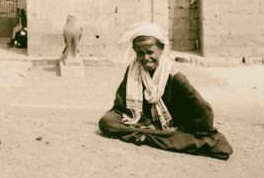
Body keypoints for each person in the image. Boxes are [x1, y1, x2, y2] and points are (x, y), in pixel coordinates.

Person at [98, 22, 232, 159]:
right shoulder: (133, 71)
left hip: (172, 125)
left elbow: (204, 111)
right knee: (107, 122)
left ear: (161, 49)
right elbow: (120, 106)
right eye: (140, 53)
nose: (145, 58)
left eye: (150, 52)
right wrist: (143, 122)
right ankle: (149, 135)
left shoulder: (172, 74)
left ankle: (146, 136)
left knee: (207, 139)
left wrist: (185, 127)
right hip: (143, 123)